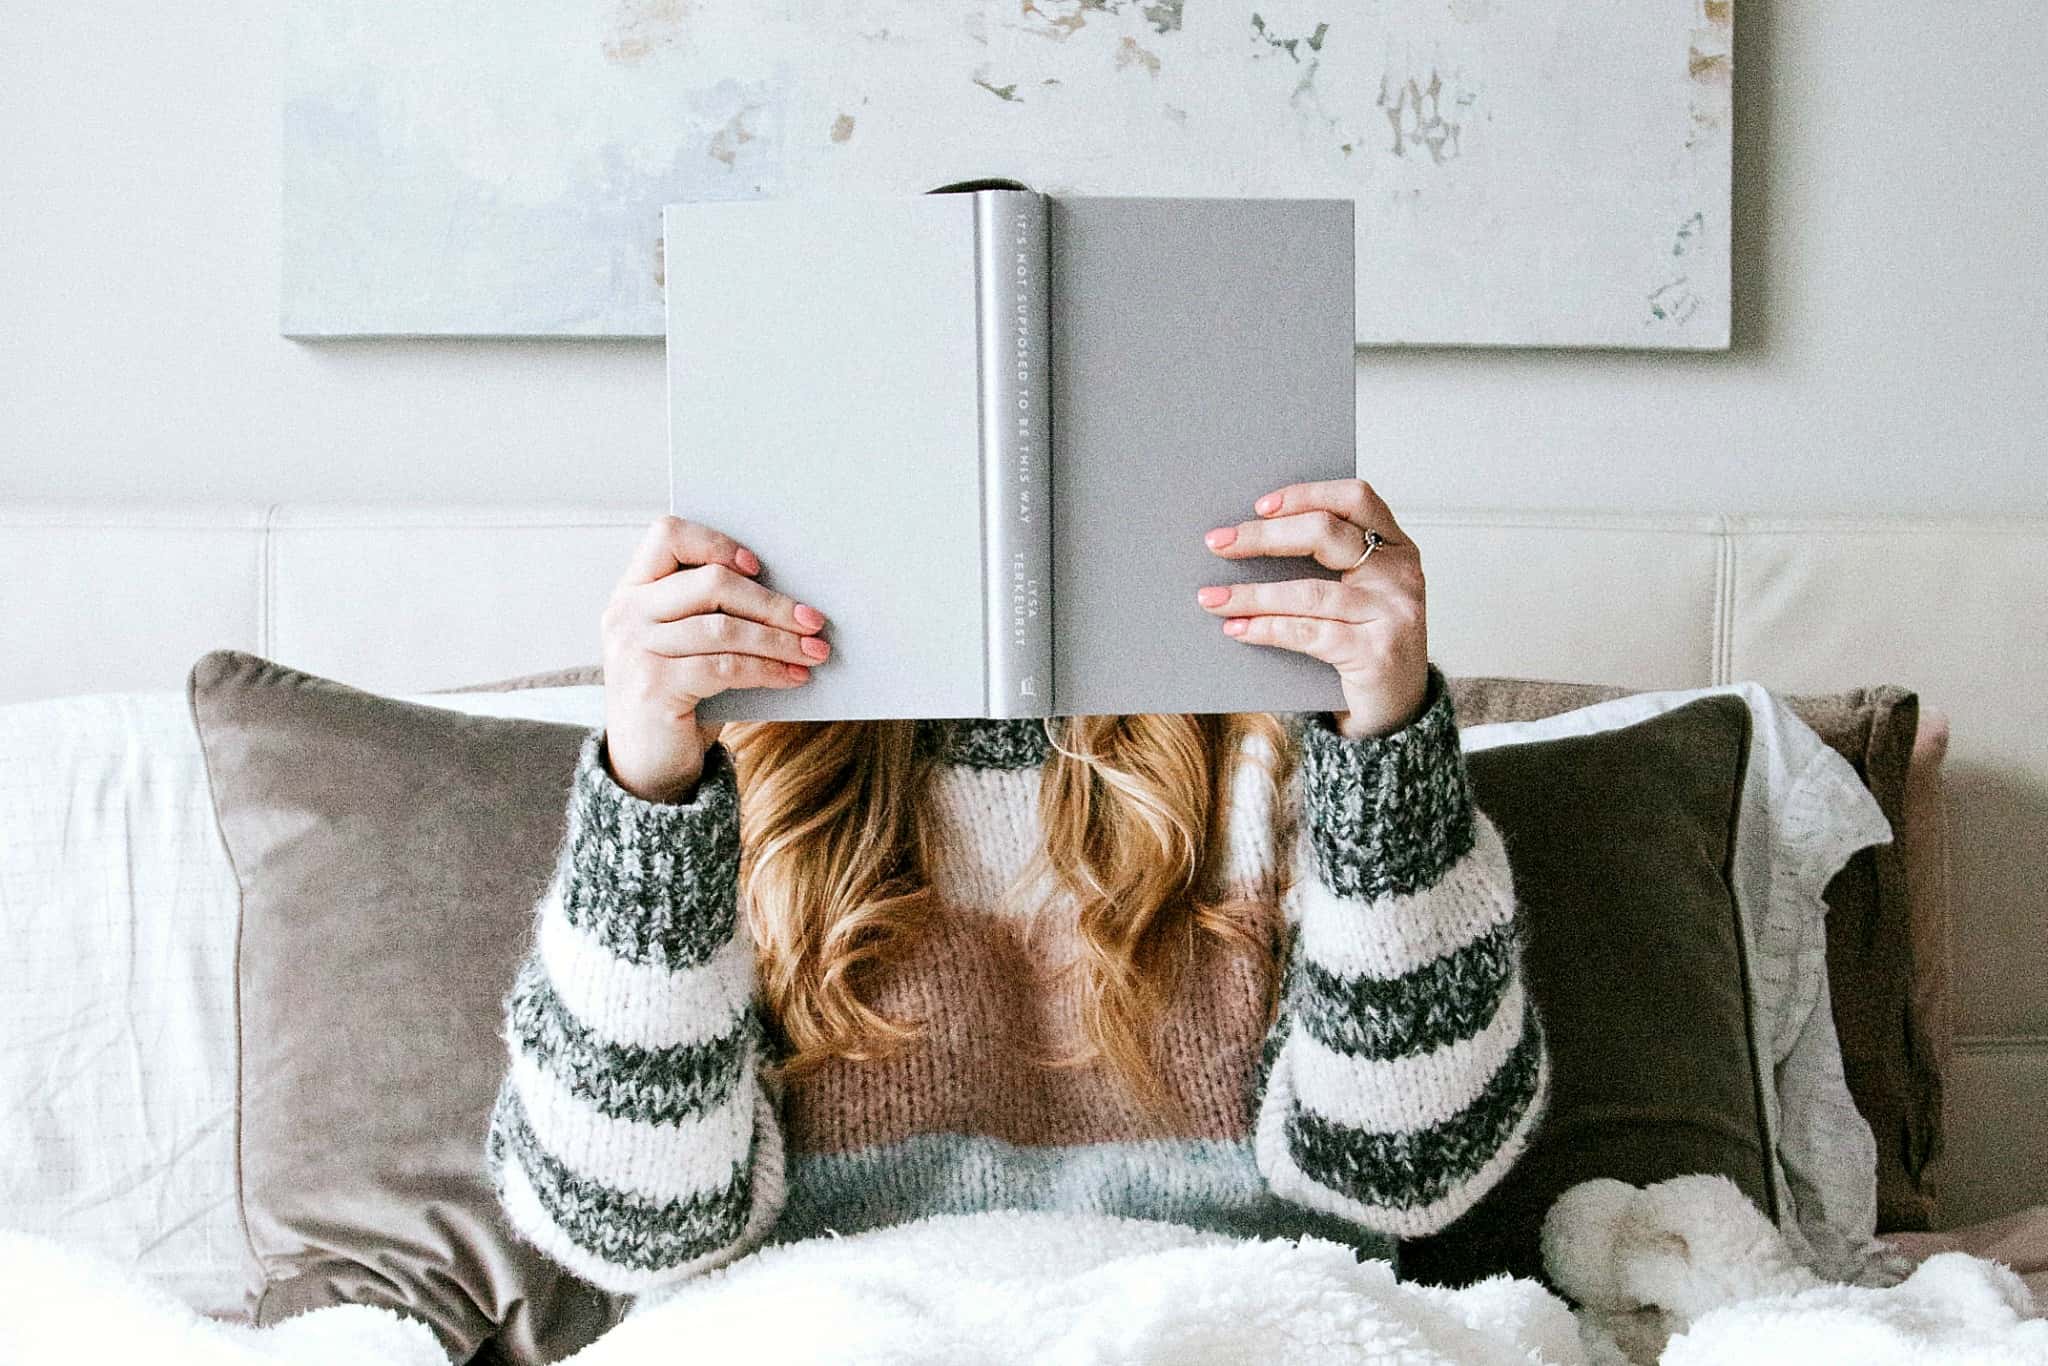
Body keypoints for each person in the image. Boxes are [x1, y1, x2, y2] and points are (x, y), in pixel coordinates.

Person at [484, 477, 1550, 1299]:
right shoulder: (736, 777)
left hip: (1222, 1322)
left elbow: (1410, 1166)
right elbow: (622, 1220)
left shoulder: (1277, 746)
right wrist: (651, 794)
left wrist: (1386, 746)